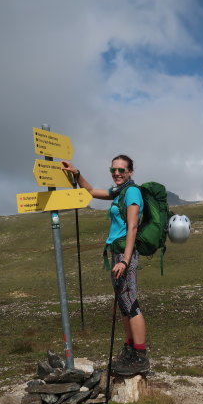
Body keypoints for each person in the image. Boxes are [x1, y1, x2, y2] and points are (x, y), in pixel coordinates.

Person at [61, 155, 150, 375]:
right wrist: (77, 173)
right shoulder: (118, 192)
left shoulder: (132, 193)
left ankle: (140, 356)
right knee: (124, 304)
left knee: (131, 303)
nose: (117, 173)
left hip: (124, 254)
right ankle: (130, 350)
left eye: (121, 170)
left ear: (130, 172)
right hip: (117, 254)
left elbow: (132, 228)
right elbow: (90, 191)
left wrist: (126, 261)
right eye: (114, 170)